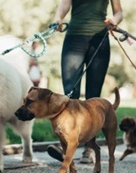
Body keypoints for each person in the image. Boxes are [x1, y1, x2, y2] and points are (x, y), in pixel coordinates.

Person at [47, 0, 123, 163]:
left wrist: (114, 21)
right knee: (70, 93)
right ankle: (66, 146)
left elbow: (119, 12)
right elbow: (65, 4)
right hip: (74, 39)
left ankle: (89, 147)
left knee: (93, 97)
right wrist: (58, 18)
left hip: (99, 39)